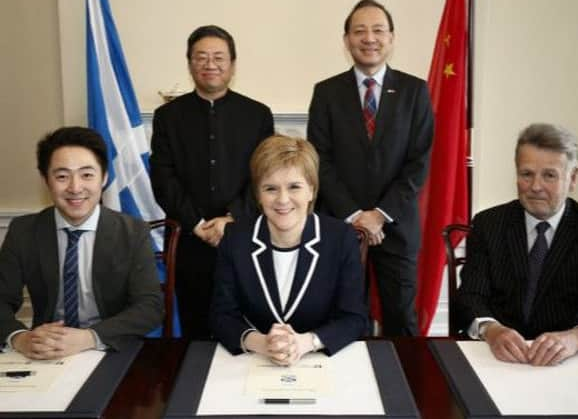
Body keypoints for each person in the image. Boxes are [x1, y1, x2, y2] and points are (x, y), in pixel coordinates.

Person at [307, 0, 434, 336]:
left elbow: (418, 162)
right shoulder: (326, 93)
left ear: (391, 38)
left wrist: (379, 214)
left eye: (378, 30)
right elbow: (320, 161)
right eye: (359, 31)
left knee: (401, 322)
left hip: (397, 226)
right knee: (343, 318)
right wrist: (355, 215)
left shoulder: (414, 91)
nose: (369, 38)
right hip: (341, 227)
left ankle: (403, 386)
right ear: (346, 40)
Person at [150, 25, 274, 338]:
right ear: (190, 63)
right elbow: (164, 179)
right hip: (191, 240)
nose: (210, 64)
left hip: (245, 237)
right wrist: (198, 223)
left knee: (248, 326)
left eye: (219, 57)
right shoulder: (168, 116)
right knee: (196, 330)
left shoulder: (258, 115)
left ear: (232, 63)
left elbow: (265, 177)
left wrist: (232, 218)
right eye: (201, 57)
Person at [0, 127, 163, 359]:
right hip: (46, 350)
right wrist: (20, 337)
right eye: (62, 176)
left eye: (87, 175)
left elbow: (150, 307)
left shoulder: (132, 232)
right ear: (46, 180)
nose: (75, 188)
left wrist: (89, 337)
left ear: (104, 177)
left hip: (108, 348)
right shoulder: (23, 231)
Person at [210, 135, 368, 364]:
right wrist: (262, 343)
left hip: (320, 359)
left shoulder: (340, 238)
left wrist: (306, 342)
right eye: (271, 188)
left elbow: (355, 317)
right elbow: (221, 315)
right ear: (258, 195)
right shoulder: (236, 238)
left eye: (294, 187)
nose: (283, 200)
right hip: (254, 360)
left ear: (311, 190)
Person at [456, 123, 578, 366]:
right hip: (498, 359)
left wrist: (577, 339)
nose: (535, 186)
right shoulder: (488, 224)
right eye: (526, 174)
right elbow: (470, 296)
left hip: (568, 362)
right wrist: (491, 330)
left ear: (572, 178)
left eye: (549, 175)